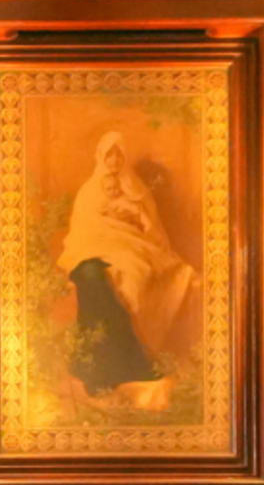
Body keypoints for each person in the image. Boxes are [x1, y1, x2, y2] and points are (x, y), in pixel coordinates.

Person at [53, 128, 198, 384]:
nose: (114, 162)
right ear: (100, 157)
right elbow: (85, 227)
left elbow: (150, 227)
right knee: (101, 276)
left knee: (136, 272)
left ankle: (128, 356)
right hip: (94, 248)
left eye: (118, 157)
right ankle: (114, 363)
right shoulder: (89, 191)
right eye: (109, 156)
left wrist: (133, 214)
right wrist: (109, 221)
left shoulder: (135, 189)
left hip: (132, 246)